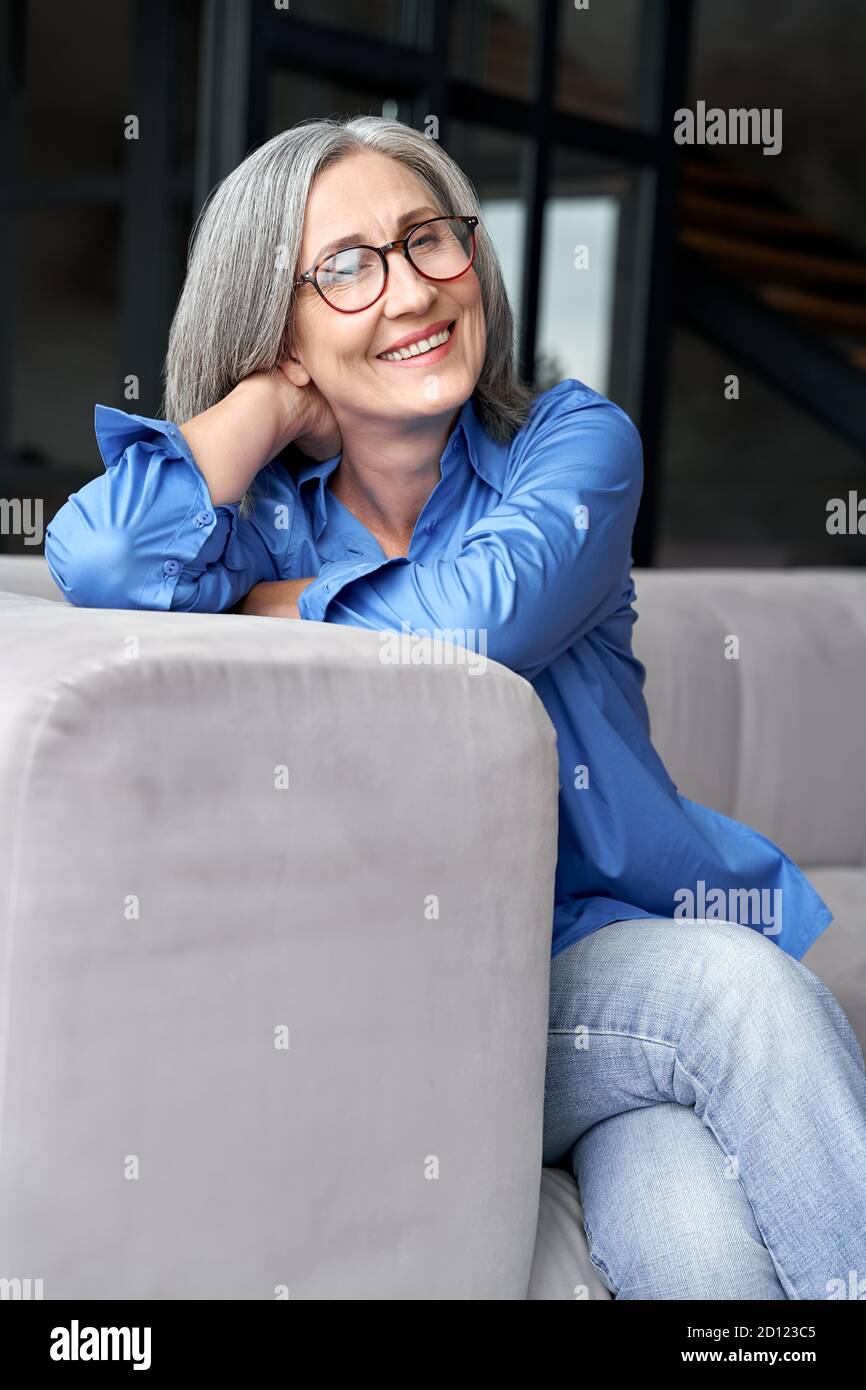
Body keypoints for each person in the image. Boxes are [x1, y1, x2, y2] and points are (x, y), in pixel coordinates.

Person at [44, 115, 866, 1299]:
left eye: (428, 238)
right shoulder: (249, 518)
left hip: (605, 969)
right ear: (274, 327)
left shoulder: (570, 443)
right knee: (730, 992)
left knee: (701, 1249)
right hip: (401, 996)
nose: (413, 289)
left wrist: (260, 614)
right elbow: (100, 556)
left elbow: (469, 631)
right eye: (344, 267)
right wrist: (271, 407)